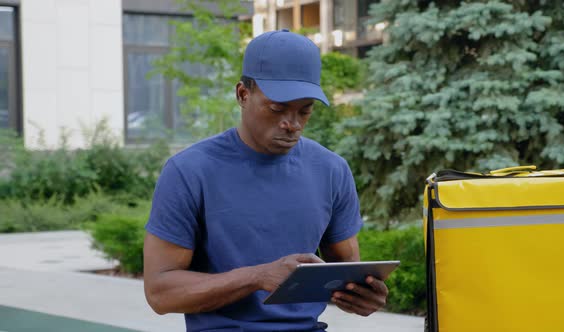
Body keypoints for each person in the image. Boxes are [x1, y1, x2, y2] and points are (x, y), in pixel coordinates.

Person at [143, 29, 388, 332]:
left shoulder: (331, 169)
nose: (292, 124)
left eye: (305, 111)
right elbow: (160, 293)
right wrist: (257, 276)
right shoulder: (188, 171)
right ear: (243, 95)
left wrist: (363, 297)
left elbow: (345, 277)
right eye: (277, 109)